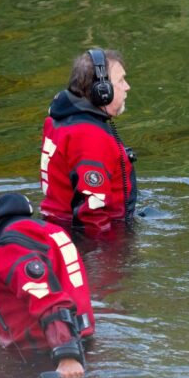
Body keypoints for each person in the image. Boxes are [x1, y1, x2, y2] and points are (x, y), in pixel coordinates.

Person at [0, 180, 95, 378]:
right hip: (80, 343)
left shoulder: (9, 247)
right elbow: (53, 283)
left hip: (48, 360)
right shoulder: (41, 229)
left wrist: (67, 356)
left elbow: (48, 299)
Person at [40, 48, 137, 237]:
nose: (127, 87)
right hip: (94, 237)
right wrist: (105, 258)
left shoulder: (59, 120)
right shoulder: (90, 137)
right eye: (120, 81)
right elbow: (91, 213)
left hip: (58, 223)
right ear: (103, 91)